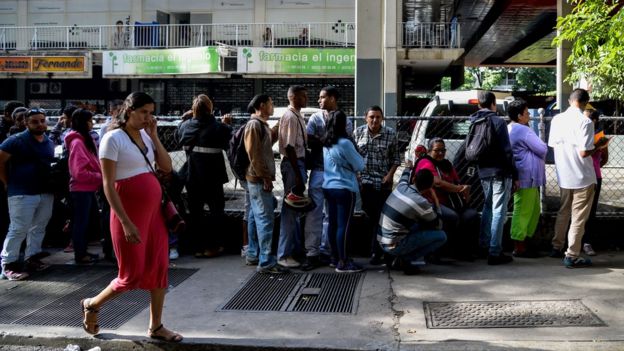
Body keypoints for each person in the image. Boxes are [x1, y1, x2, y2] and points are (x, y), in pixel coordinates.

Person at [81, 92, 183, 342]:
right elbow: (107, 184)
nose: (148, 117)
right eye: (144, 112)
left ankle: (156, 326)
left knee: (160, 268)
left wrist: (155, 136)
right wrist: (125, 221)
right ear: (129, 111)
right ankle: (93, 304)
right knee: (132, 274)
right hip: (128, 214)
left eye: (151, 112)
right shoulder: (112, 138)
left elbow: (167, 167)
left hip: (153, 214)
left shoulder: (147, 137)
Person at [548, 89, 610, 268]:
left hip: (564, 174)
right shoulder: (585, 122)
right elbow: (584, 152)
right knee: (579, 217)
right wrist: (599, 145)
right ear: (586, 103)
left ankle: (556, 246)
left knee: (563, 211)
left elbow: (553, 145)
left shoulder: (557, 120)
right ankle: (572, 255)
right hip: (583, 176)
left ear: (569, 100)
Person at [0, 108, 55, 281]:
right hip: (21, 192)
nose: (40, 124)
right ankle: (8, 265)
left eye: (42, 120)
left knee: (39, 226)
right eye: (35, 121)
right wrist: (6, 182)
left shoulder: (48, 141)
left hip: (45, 191)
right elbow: (0, 161)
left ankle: (33, 258)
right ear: (26, 122)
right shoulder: (15, 141)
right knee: (18, 229)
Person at [303, 86, 352, 270]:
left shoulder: (343, 119)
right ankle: (312, 252)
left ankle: (329, 251)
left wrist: (322, 139)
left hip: (334, 174)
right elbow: (309, 137)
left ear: (332, 98)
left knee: (331, 216)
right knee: (315, 213)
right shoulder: (316, 117)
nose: (319, 101)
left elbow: (344, 139)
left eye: (322, 97)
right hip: (319, 170)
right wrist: (325, 140)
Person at [177, 94, 232, 258]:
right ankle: (213, 246)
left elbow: (177, 137)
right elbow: (229, 141)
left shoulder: (185, 126)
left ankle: (197, 247)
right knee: (216, 211)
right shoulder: (218, 127)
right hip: (213, 176)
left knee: (195, 213)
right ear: (210, 109)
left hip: (192, 175)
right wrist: (227, 124)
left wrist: (184, 119)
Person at [470, 91, 517, 265]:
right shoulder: (498, 121)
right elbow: (507, 150)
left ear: (479, 105)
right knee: (498, 210)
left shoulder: (474, 121)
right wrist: (515, 173)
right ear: (493, 103)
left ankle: (483, 245)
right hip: (499, 172)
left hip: (483, 172)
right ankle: (495, 251)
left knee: (488, 208)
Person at [244, 94, 288, 274]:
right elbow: (254, 153)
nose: (273, 106)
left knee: (256, 217)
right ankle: (266, 261)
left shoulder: (260, 125)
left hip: (256, 178)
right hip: (258, 179)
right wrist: (265, 177)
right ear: (262, 105)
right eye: (271, 103)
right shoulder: (254, 125)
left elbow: (267, 142)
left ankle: (254, 254)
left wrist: (279, 125)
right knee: (265, 220)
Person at [414, 138, 478, 260]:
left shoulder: (447, 164)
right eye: (437, 150)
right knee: (451, 216)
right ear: (429, 151)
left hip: (451, 202)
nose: (440, 153)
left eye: (443, 150)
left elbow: (456, 182)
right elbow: (437, 183)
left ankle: (461, 251)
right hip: (431, 202)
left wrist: (465, 191)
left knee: (471, 215)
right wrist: (459, 188)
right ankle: (440, 252)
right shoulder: (425, 162)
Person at [354, 105, 401, 265]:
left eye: (378, 117)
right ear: (365, 118)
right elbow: (354, 158)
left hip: (383, 183)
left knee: (383, 219)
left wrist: (389, 176)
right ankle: (377, 251)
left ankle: (382, 252)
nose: (375, 120)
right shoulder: (358, 133)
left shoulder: (390, 134)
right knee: (374, 218)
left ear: (382, 118)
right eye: (371, 117)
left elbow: (396, 159)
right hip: (366, 183)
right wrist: (358, 177)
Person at [378, 168, 447, 275]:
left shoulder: (402, 186)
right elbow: (438, 225)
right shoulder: (421, 202)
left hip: (381, 240)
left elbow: (405, 175)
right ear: (430, 187)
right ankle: (404, 259)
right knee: (441, 236)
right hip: (394, 245)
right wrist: (436, 201)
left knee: (416, 223)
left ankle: (393, 256)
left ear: (414, 179)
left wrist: (409, 167)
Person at [322, 110, 365, 272]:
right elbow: (360, 165)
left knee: (333, 224)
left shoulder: (326, 142)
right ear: (343, 124)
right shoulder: (345, 143)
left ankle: (334, 258)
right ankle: (344, 261)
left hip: (328, 187)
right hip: (344, 187)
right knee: (344, 226)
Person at [507, 99, 547, 257]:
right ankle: (520, 245)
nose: (529, 115)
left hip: (525, 175)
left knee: (532, 209)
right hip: (527, 176)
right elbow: (542, 149)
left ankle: (524, 241)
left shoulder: (510, 128)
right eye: (527, 113)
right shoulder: (523, 130)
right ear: (519, 116)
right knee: (524, 210)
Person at [277, 85, 310, 268]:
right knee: (289, 211)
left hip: (298, 164)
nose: (306, 98)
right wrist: (297, 174)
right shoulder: (290, 117)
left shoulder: (298, 116)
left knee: (295, 210)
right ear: (294, 97)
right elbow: (289, 147)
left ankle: (295, 251)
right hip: (293, 165)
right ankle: (283, 255)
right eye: (303, 96)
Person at [65, 109, 102, 264]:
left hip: (88, 188)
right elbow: (78, 172)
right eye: (89, 120)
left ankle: (82, 252)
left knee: (85, 222)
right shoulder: (78, 142)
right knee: (81, 222)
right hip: (81, 189)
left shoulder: (84, 140)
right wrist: (101, 177)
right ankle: (80, 255)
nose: (92, 123)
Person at [582, 109, 608, 256]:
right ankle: (576, 241)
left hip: (595, 177)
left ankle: (587, 242)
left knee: (590, 212)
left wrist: (595, 167)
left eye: (588, 119)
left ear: (595, 121)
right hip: (579, 176)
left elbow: (605, 158)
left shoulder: (599, 136)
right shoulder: (579, 134)